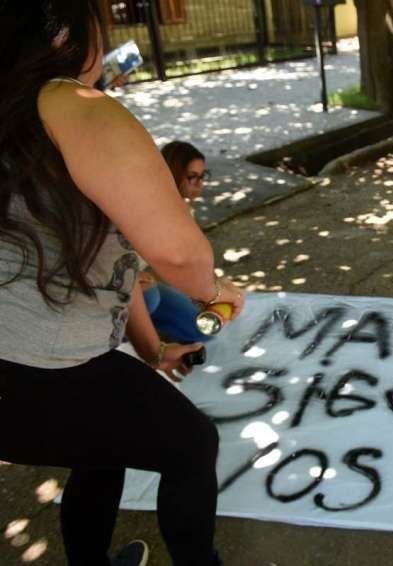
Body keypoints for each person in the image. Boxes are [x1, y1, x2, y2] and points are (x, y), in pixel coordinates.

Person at [0, 2, 245, 565]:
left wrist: (151, 350)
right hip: (41, 369)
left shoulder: (12, 109)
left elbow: (114, 269)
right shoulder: (73, 103)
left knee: (102, 447)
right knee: (193, 444)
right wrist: (214, 292)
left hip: (22, 375)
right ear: (65, 32)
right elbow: (177, 253)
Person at [139, 141, 214, 345]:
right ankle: (137, 337)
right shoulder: (152, 205)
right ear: (174, 173)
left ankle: (157, 329)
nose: (199, 184)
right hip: (127, 280)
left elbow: (191, 258)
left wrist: (204, 289)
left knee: (204, 329)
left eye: (203, 176)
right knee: (150, 297)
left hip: (147, 280)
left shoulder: (183, 207)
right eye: (192, 177)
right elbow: (167, 264)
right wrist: (200, 292)